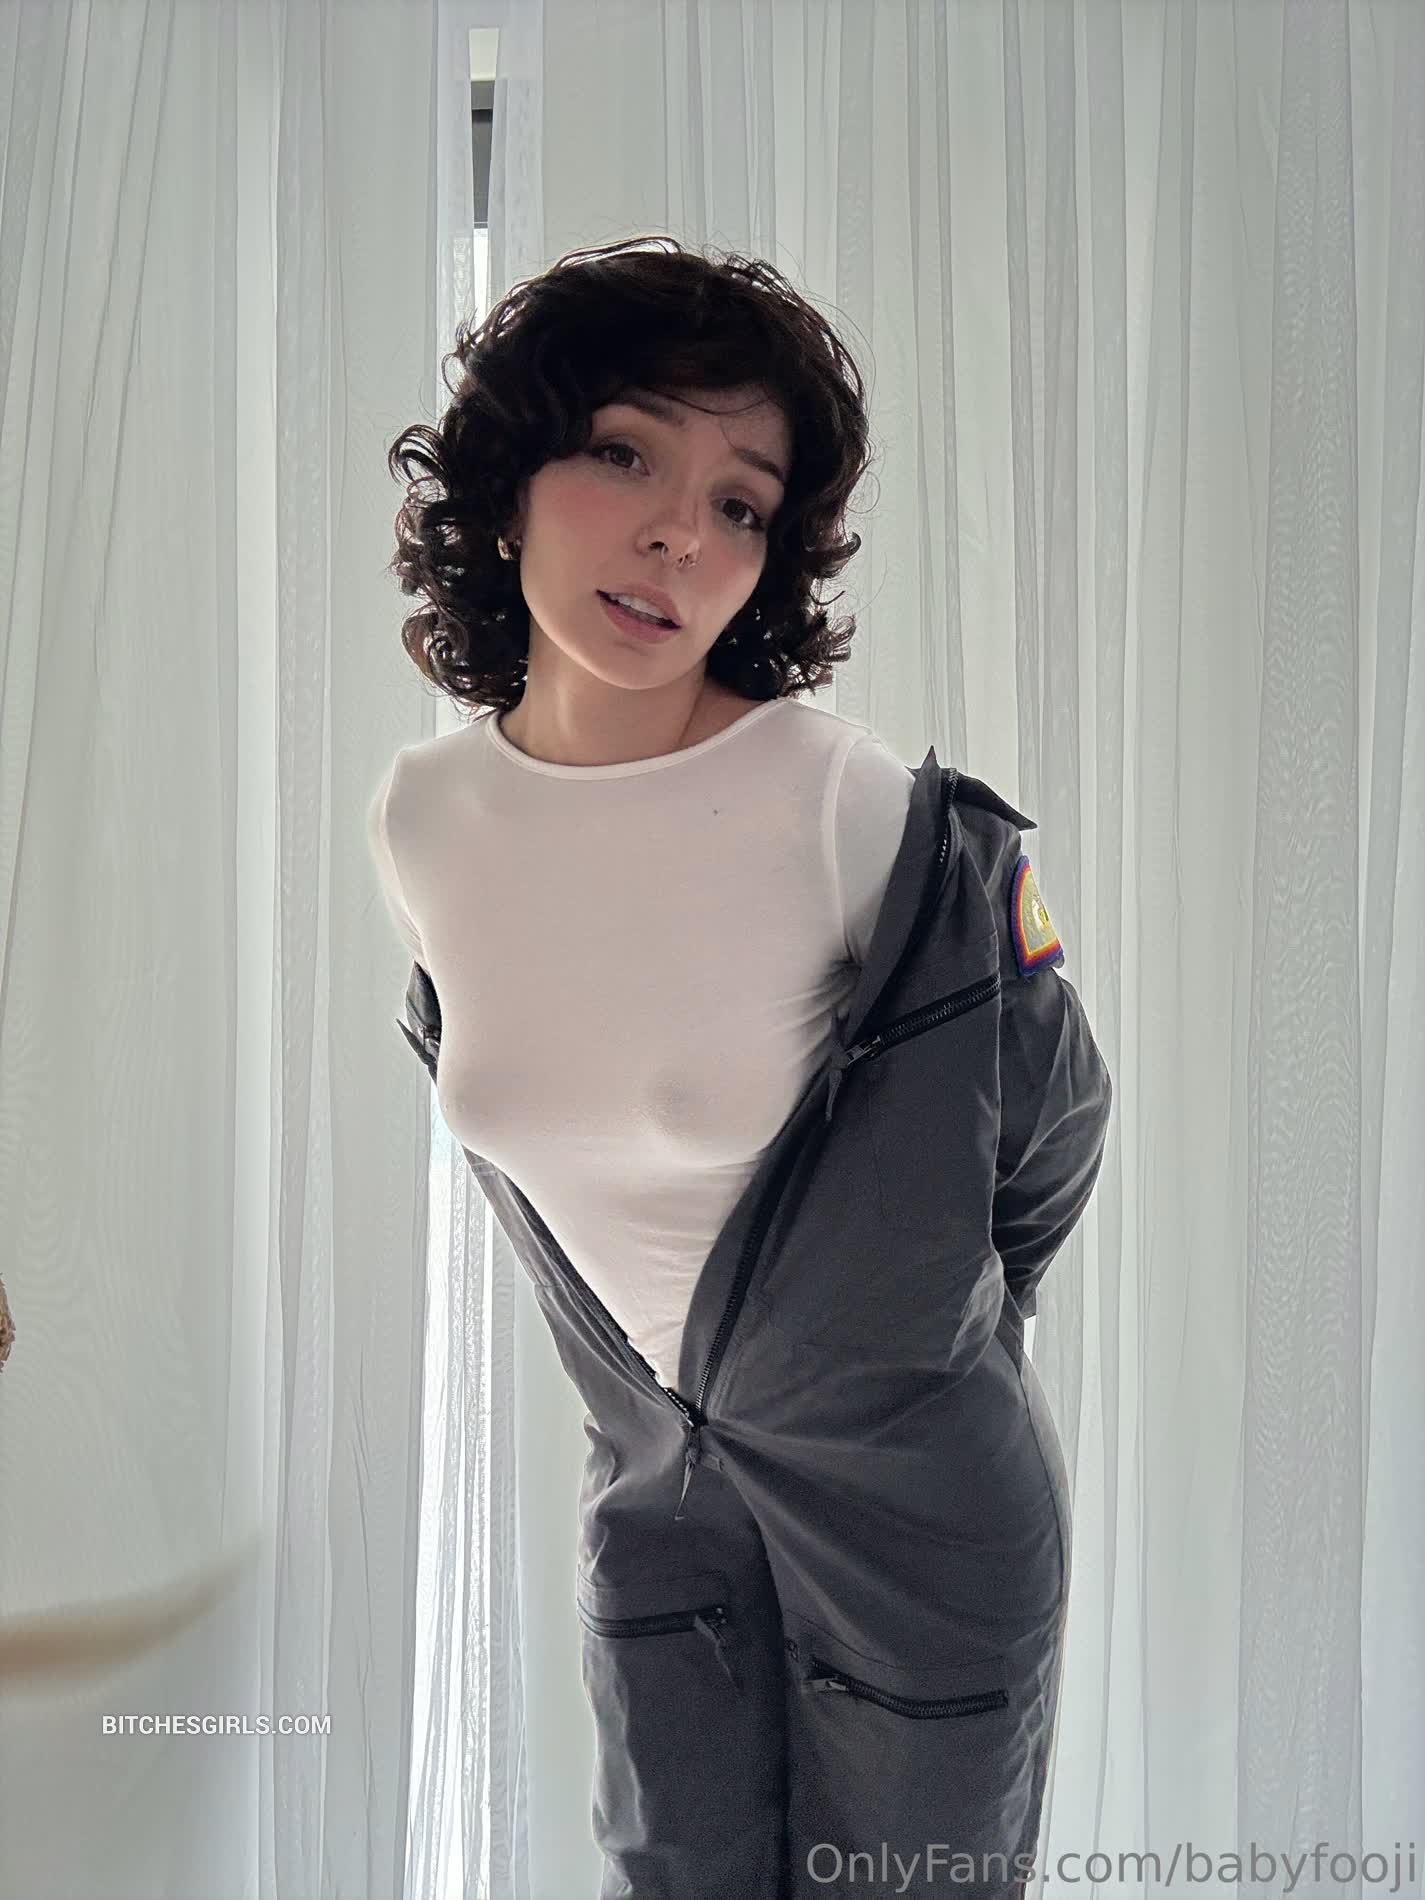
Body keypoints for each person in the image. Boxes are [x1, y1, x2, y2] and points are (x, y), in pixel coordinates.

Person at [370, 236, 1113, 1898]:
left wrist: (894, 1346)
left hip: (916, 1518)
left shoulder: (840, 803)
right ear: (506, 487)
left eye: (739, 504)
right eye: (622, 454)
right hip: (654, 1502)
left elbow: (1048, 1124)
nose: (676, 536)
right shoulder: (425, 820)